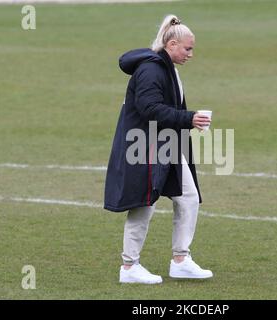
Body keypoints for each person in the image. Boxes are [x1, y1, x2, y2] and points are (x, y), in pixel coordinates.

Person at [104, 14, 212, 284]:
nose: (191, 54)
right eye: (188, 48)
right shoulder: (151, 70)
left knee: (188, 196)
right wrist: (189, 119)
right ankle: (129, 267)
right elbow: (150, 109)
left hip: (167, 144)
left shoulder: (168, 67)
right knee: (144, 205)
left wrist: (186, 124)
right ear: (172, 44)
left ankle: (181, 260)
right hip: (143, 146)